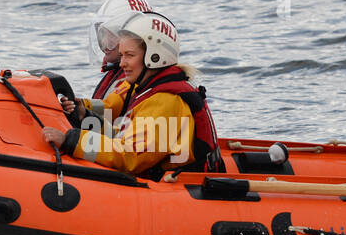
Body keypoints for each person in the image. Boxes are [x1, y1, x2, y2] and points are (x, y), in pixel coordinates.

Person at [44, 11, 224, 179]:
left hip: (173, 190)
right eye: (121, 55)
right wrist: (86, 117)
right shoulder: (152, 90)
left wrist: (72, 140)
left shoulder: (166, 100)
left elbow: (129, 157)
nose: (122, 63)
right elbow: (129, 136)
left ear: (155, 56)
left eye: (129, 55)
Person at [88, 0, 153, 100]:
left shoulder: (136, 78)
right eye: (101, 34)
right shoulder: (121, 72)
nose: (104, 43)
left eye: (111, 35)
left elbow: (108, 114)